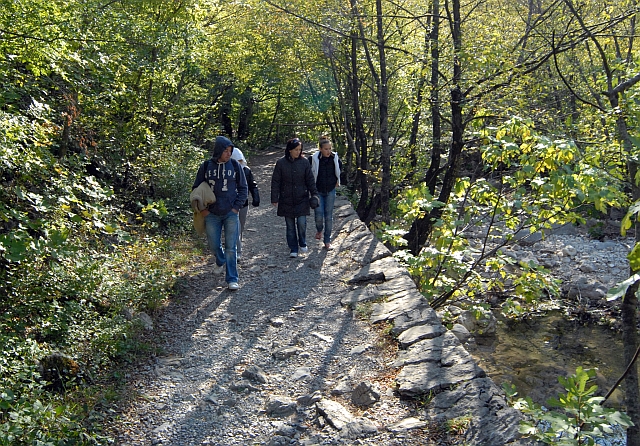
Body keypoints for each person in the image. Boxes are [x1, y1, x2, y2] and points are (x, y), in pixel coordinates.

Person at [192, 136, 248, 290]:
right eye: (226, 151)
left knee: (231, 247)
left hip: (230, 213)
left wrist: (236, 207)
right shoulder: (206, 166)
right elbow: (196, 188)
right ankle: (220, 260)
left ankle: (232, 279)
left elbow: (244, 188)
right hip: (212, 214)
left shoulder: (235, 166)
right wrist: (203, 210)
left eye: (230, 151)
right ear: (218, 151)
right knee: (214, 244)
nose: (229, 154)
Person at [271, 137, 318, 258]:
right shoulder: (281, 163)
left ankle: (302, 242)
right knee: (290, 225)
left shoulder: (304, 162)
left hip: (302, 197)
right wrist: (274, 197)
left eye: (300, 149)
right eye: (296, 150)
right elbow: (276, 181)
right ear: (290, 150)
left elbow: (310, 180)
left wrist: (314, 194)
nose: (298, 152)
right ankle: (293, 248)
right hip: (286, 199)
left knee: (302, 223)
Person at [311, 135, 342, 250]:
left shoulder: (335, 158)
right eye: (326, 149)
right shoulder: (314, 159)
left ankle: (327, 240)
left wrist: (337, 181)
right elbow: (309, 172)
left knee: (328, 216)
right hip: (318, 191)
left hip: (330, 191)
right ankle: (319, 229)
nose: (328, 151)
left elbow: (339, 169)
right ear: (320, 149)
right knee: (319, 215)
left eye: (329, 148)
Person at [237, 164, 260, 258]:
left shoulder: (246, 170)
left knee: (241, 225)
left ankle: (238, 243)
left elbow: (252, 184)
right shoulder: (225, 170)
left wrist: (256, 198)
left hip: (243, 203)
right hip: (230, 205)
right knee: (235, 227)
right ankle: (237, 250)